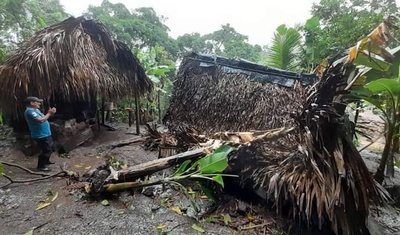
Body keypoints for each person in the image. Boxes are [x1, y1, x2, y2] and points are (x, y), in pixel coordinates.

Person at [24, 96, 57, 171]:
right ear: (32, 103)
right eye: (37, 102)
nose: (39, 103)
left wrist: (50, 113)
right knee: (46, 150)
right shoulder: (30, 111)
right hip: (40, 135)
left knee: (50, 147)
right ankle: (41, 166)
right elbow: (40, 120)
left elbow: (44, 117)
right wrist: (49, 113)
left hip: (45, 133)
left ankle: (46, 161)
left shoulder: (35, 110)